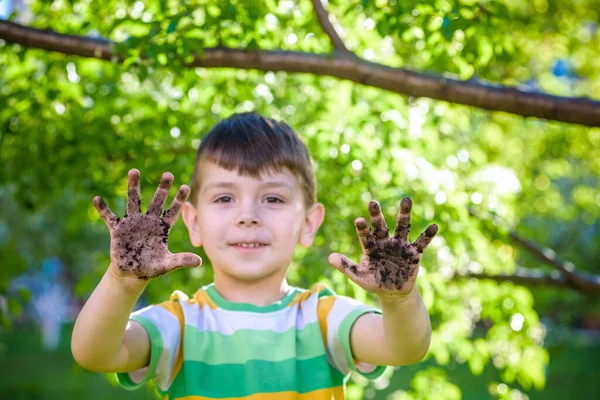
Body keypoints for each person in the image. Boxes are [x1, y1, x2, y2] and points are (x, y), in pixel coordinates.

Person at [71, 112, 438, 399]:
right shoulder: (179, 326)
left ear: (308, 224)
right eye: (225, 198)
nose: (248, 215)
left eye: (273, 199)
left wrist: (399, 298)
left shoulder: (324, 319)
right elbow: (95, 352)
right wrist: (122, 282)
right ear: (194, 223)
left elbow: (404, 347)